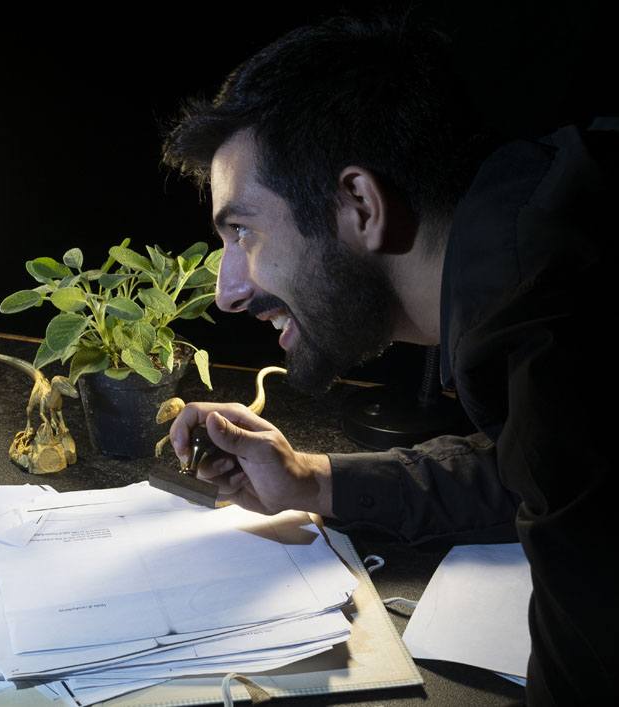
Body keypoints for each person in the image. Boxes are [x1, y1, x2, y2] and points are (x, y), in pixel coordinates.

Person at [162, 14, 614, 706]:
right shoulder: (536, 242)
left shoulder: (556, 329)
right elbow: (529, 469)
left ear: (359, 205)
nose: (226, 291)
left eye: (243, 230)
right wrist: (311, 482)